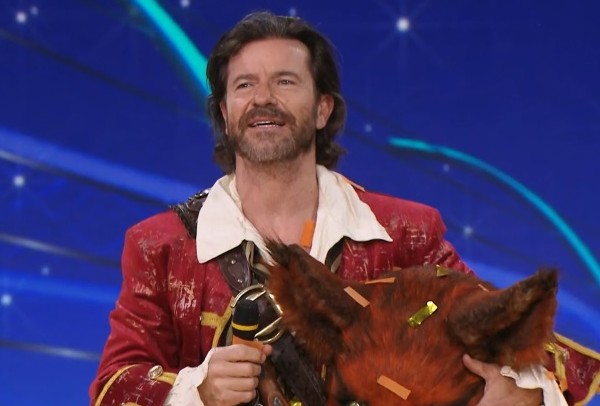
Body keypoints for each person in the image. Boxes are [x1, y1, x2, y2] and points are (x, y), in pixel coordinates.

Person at [90, 11, 596, 406]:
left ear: (323, 109)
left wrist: (523, 392)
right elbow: (114, 387)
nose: (263, 99)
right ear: (224, 112)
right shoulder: (160, 245)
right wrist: (198, 390)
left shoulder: (406, 233)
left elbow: (500, 330)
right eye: (244, 85)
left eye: (285, 81)